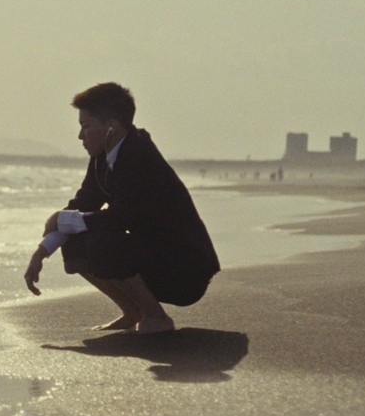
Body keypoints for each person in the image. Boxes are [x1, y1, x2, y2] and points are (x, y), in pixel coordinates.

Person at [23, 82, 220, 333]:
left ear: (111, 126)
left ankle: (157, 318)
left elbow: (123, 217)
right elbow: (83, 204)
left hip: (186, 271)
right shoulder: (102, 158)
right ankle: (133, 311)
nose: (80, 136)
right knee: (75, 241)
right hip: (154, 258)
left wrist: (62, 220)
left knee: (104, 243)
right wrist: (41, 251)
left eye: (86, 126)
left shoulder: (139, 155)